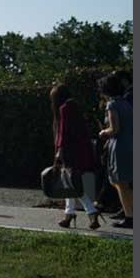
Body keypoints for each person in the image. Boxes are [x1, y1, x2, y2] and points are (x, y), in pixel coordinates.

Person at [51, 82, 102, 231]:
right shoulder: (75, 106)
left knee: (72, 183)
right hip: (82, 149)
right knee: (70, 182)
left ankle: (91, 212)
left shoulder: (64, 109)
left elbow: (63, 132)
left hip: (70, 151)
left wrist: (59, 150)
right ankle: (69, 214)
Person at [97, 73, 133, 229]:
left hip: (119, 146)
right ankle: (130, 212)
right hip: (130, 143)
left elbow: (115, 129)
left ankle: (129, 216)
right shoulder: (126, 103)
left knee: (120, 183)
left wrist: (103, 133)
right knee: (128, 182)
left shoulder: (112, 105)